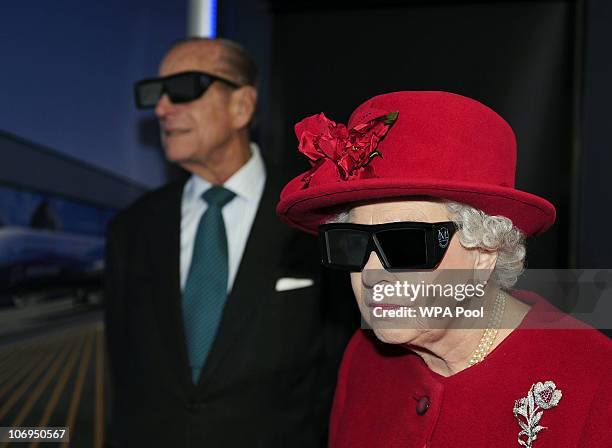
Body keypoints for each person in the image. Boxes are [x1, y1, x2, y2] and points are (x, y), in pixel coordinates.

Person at [276, 91, 612, 447]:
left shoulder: (596, 384)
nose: (371, 275)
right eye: (353, 243)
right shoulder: (364, 356)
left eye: (404, 245)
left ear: (484, 251)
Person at [104, 37, 356, 447]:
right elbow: (123, 372)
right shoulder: (131, 229)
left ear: (242, 106)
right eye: (155, 94)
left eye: (184, 89)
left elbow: (340, 367)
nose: (162, 108)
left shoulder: (313, 212)